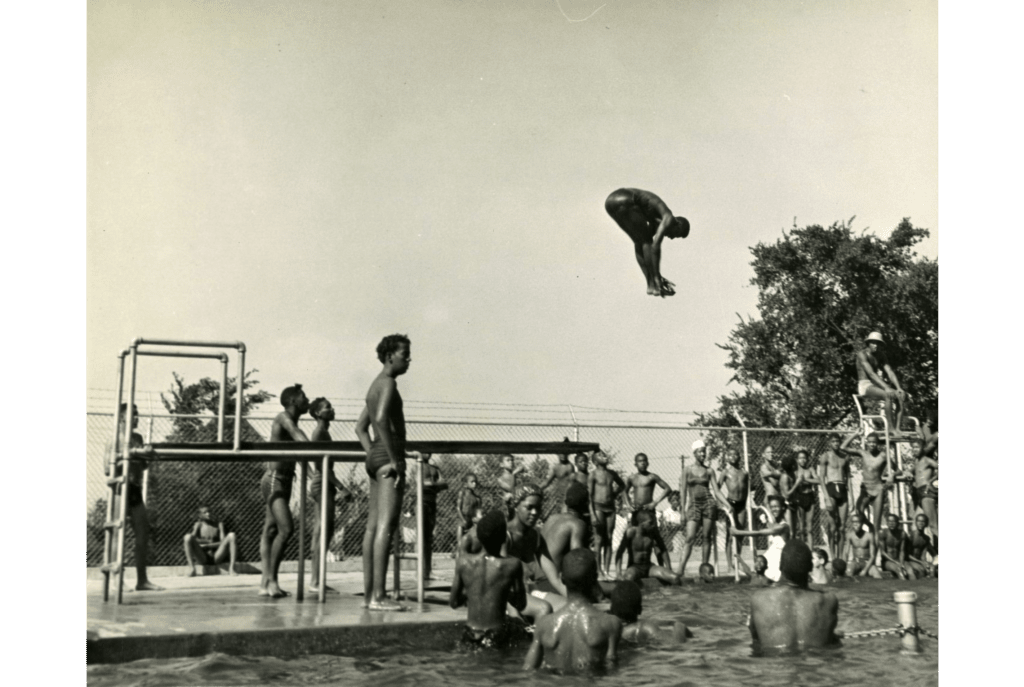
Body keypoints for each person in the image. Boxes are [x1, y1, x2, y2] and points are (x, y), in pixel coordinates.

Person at [355, 334, 411, 611]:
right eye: (405, 354)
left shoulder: (373, 386)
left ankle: (369, 597)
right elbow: (378, 420)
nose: (409, 359)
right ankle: (378, 596)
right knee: (386, 527)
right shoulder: (388, 383)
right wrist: (393, 459)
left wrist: (372, 455)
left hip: (375, 459)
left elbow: (360, 427)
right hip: (387, 460)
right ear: (391, 356)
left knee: (372, 528)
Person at [523, 549, 622, 672]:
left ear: (562, 579)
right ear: (595, 579)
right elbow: (612, 668)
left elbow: (528, 669)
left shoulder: (544, 624)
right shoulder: (611, 624)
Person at [450, 510, 530, 649]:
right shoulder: (512, 565)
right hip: (496, 635)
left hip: (469, 634)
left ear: (479, 536)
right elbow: (521, 604)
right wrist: (502, 594)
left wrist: (471, 595)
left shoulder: (463, 562)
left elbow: (454, 603)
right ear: (503, 538)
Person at [105, 403, 163, 591]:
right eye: (134, 415)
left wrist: (145, 456)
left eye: (138, 415)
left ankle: (142, 580)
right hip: (120, 488)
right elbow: (107, 468)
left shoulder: (137, 438)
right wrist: (126, 456)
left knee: (142, 533)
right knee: (117, 535)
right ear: (123, 418)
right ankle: (117, 579)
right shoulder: (114, 439)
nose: (137, 418)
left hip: (135, 488)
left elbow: (143, 467)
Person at [260, 384, 310, 598]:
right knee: (286, 529)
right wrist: (313, 448)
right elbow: (296, 434)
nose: (307, 400)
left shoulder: (293, 421)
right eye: (303, 397)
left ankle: (266, 583)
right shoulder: (283, 418)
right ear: (293, 401)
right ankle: (270, 580)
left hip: (286, 481)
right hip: (274, 480)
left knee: (271, 530)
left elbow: (299, 455)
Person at [748, 539, 840, 653]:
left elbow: (756, 643)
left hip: (775, 667)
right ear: (810, 567)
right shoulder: (829, 600)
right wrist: (834, 637)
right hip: (815, 664)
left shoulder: (759, 599)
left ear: (781, 566)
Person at [604, 187, 691, 298]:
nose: (672, 237)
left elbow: (645, 246)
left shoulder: (657, 221)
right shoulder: (668, 217)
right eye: (676, 234)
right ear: (678, 224)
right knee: (646, 241)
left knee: (639, 241)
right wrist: (657, 275)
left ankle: (651, 285)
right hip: (627, 199)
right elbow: (655, 246)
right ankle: (654, 282)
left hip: (610, 202)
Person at [307, 397, 352, 592]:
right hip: (323, 483)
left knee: (323, 532)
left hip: (325, 483)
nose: (332, 410)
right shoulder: (318, 433)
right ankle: (315, 582)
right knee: (322, 532)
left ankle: (317, 580)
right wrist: (342, 487)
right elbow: (320, 465)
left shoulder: (324, 432)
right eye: (327, 408)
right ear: (318, 413)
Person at [503, 483, 558, 620]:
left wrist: (578, 604)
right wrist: (514, 616)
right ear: (516, 506)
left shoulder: (535, 536)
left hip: (527, 592)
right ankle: (535, 640)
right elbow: (499, 580)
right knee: (544, 609)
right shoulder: (505, 536)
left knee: (568, 608)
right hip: (503, 595)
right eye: (529, 507)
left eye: (538, 508)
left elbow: (555, 578)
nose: (534, 512)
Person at [677, 440, 726, 578]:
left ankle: (704, 569)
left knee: (706, 537)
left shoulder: (709, 471)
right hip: (693, 505)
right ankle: (680, 568)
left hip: (708, 504)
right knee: (690, 537)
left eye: (704, 451)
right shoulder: (687, 470)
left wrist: (727, 504)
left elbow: (716, 491)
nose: (703, 454)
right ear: (694, 453)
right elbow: (683, 492)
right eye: (700, 451)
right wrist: (682, 512)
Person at [624, 452, 673, 570]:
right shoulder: (632, 478)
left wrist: (655, 502)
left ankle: (667, 568)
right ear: (635, 464)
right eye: (640, 461)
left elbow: (667, 489)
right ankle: (632, 566)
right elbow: (623, 491)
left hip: (649, 513)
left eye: (644, 461)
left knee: (657, 541)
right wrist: (629, 505)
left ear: (648, 463)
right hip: (636, 514)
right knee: (633, 539)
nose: (642, 463)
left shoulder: (652, 477)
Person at [855, 331, 909, 434]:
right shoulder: (862, 355)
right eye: (873, 343)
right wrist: (886, 387)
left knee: (899, 396)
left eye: (878, 343)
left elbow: (890, 371)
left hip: (875, 385)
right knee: (887, 394)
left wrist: (898, 388)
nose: (876, 345)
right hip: (864, 385)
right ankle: (890, 428)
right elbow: (871, 374)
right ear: (868, 343)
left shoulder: (881, 355)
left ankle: (897, 428)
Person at [842, 432, 894, 535]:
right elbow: (843, 447)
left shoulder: (883, 455)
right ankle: (869, 526)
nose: (872, 444)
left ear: (878, 443)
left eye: (874, 442)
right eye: (869, 442)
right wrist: (855, 434)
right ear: (867, 443)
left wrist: (892, 475)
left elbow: (897, 470)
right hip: (865, 488)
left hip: (878, 489)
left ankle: (876, 548)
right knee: (858, 512)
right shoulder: (863, 453)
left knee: (877, 524)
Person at [608, 581, 692, 644]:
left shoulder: (607, 629)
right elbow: (676, 643)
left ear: (611, 610)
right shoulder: (644, 627)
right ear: (640, 610)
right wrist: (679, 626)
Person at [731, 495, 791, 582]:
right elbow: (767, 525)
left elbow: (759, 533)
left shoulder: (784, 527)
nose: (774, 509)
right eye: (772, 507)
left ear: (783, 508)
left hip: (777, 564)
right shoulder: (772, 524)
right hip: (769, 561)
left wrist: (737, 532)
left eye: (777, 506)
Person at [615, 509, 682, 585]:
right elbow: (619, 552)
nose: (653, 525)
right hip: (635, 568)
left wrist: (669, 568)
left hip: (649, 567)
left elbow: (663, 549)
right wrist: (618, 573)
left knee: (675, 578)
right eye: (650, 523)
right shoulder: (631, 532)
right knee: (628, 580)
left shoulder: (653, 532)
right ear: (642, 524)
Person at [540, 482, 591, 578]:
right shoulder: (577, 524)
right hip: (553, 581)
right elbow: (578, 563)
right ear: (586, 503)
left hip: (538, 577)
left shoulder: (552, 518)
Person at [588, 451, 626, 578]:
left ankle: (607, 571)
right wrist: (592, 514)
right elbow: (589, 496)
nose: (604, 456)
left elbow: (622, 485)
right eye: (600, 455)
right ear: (595, 461)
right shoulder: (593, 475)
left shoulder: (612, 474)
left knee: (609, 539)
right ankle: (598, 572)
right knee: (598, 539)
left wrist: (614, 494)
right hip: (598, 507)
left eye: (605, 455)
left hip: (610, 508)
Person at [414, 453, 448, 580]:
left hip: (432, 502)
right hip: (421, 502)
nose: (427, 453)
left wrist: (432, 484)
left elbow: (444, 483)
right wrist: (436, 484)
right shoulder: (418, 466)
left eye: (429, 450)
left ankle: (428, 571)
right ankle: (418, 572)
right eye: (424, 450)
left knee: (429, 538)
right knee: (420, 537)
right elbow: (421, 484)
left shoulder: (434, 468)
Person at [818, 434, 851, 559]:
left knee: (842, 527)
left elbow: (848, 477)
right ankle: (833, 557)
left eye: (838, 441)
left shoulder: (844, 457)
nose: (836, 443)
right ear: (830, 443)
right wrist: (826, 497)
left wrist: (851, 497)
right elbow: (821, 478)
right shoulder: (825, 457)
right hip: (831, 488)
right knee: (832, 527)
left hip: (843, 489)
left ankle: (841, 557)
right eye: (833, 441)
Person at [717, 448, 750, 572]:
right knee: (730, 536)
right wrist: (721, 504)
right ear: (727, 458)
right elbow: (717, 489)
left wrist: (746, 505)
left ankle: (737, 561)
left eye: (736, 454)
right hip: (730, 504)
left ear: (739, 457)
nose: (733, 456)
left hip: (741, 505)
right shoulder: (725, 472)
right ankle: (729, 565)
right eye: (730, 454)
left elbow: (746, 490)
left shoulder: (744, 473)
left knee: (740, 535)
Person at [183, 505, 238, 576]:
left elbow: (223, 542)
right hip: (203, 557)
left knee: (232, 535)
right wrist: (204, 542)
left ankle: (232, 569)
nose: (208, 514)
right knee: (187, 537)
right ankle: (192, 569)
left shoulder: (219, 524)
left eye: (209, 511)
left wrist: (207, 545)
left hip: (217, 556)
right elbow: (191, 540)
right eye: (205, 512)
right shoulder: (198, 525)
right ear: (200, 515)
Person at [783, 448, 818, 548]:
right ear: (797, 459)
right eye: (800, 458)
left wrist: (806, 480)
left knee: (810, 529)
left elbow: (818, 480)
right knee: (801, 528)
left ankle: (810, 551)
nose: (803, 460)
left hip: (810, 497)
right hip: (799, 497)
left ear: (807, 459)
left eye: (805, 458)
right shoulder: (794, 471)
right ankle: (803, 550)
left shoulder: (810, 469)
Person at [539, 439, 577, 519]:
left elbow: (571, 484)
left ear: (568, 453)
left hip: (567, 498)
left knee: (564, 517)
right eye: (560, 452)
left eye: (565, 453)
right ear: (557, 453)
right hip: (558, 498)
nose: (562, 455)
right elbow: (547, 482)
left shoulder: (569, 466)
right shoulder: (556, 467)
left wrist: (566, 500)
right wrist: (537, 488)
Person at [910, 436, 939, 538]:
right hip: (920, 493)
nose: (915, 449)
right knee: (914, 526)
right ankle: (934, 554)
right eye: (913, 447)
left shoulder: (926, 460)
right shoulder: (917, 462)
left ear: (923, 448)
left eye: (917, 447)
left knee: (933, 526)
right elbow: (910, 471)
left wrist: (931, 481)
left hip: (927, 492)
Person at [844, 511, 882, 578]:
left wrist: (865, 570)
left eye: (857, 522)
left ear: (862, 523)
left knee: (877, 575)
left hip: (867, 562)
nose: (855, 524)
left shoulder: (869, 536)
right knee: (848, 573)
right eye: (853, 522)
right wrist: (845, 565)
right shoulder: (850, 535)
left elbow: (872, 556)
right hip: (855, 562)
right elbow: (846, 553)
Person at [878, 513, 913, 579]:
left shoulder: (902, 533)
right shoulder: (883, 533)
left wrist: (901, 562)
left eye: (893, 521)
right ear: (887, 523)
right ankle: (904, 586)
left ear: (898, 523)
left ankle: (916, 587)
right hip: (887, 562)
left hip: (899, 559)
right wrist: (896, 562)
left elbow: (902, 551)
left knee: (910, 571)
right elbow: (883, 552)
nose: (891, 523)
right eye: (889, 521)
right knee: (899, 570)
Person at [455, 474, 483, 557]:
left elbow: (478, 511)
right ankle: (457, 554)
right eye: (472, 482)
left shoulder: (477, 498)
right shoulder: (462, 493)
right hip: (462, 520)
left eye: (475, 482)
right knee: (460, 544)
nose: (474, 484)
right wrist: (463, 520)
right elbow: (458, 508)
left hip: (472, 522)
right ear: (466, 484)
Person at [906, 513, 937, 578]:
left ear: (926, 524)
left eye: (923, 521)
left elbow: (923, 554)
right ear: (915, 523)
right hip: (909, 561)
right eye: (919, 521)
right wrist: (921, 562)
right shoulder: (911, 535)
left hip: (919, 561)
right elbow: (907, 555)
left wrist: (925, 562)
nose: (921, 523)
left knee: (932, 569)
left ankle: (930, 586)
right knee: (921, 570)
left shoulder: (926, 538)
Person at [497, 454, 527, 519]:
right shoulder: (500, 479)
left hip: (517, 506)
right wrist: (513, 474)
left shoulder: (517, 478)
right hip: (508, 508)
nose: (511, 462)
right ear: (501, 464)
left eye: (512, 460)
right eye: (508, 460)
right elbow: (511, 489)